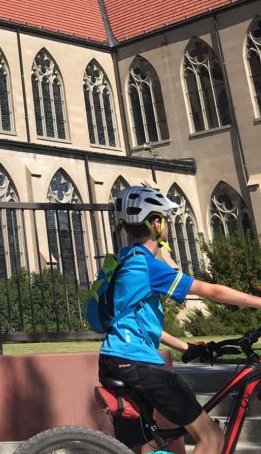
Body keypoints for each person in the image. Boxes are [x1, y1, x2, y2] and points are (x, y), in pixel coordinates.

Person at [98, 185, 261, 454]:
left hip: (113, 359)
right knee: (211, 438)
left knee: (138, 449)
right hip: (138, 362)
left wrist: (187, 348)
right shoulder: (148, 264)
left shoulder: (124, 261)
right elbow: (212, 291)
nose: (168, 225)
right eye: (165, 218)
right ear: (157, 223)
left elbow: (138, 322)